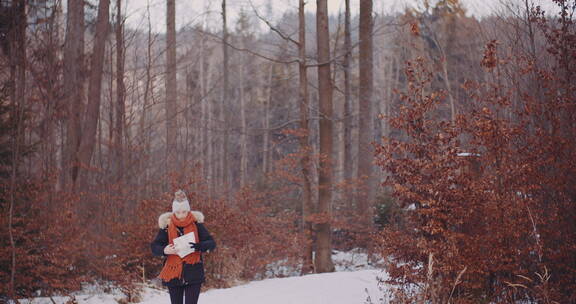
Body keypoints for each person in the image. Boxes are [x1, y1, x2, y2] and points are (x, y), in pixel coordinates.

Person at [151, 190, 216, 304]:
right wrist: (164, 250)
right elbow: (154, 247)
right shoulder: (167, 227)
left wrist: (198, 246)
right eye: (178, 212)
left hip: (194, 272)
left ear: (188, 210)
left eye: (184, 212)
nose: (181, 215)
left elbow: (211, 243)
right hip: (173, 274)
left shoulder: (197, 224)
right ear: (173, 212)